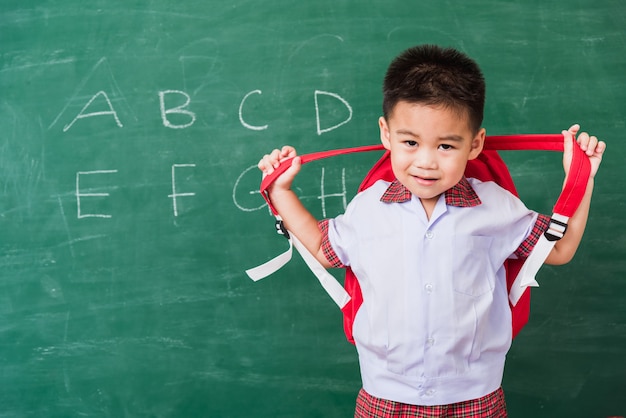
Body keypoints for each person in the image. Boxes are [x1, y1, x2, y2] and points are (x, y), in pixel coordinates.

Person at [257, 44, 606, 417]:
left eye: (445, 145)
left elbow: (559, 249)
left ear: (475, 144)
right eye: (410, 142)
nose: (426, 161)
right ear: (385, 134)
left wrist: (580, 180)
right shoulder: (369, 207)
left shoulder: (496, 206)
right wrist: (281, 191)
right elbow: (323, 250)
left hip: (476, 397)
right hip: (384, 396)